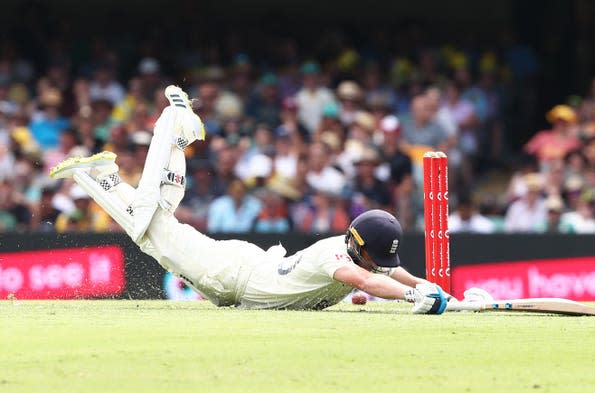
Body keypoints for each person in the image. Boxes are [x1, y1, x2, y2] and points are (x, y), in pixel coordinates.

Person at [50, 85, 455, 314]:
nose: (377, 266)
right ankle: (172, 130)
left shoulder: (360, 253)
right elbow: (368, 279)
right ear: (357, 247)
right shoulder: (337, 260)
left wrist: (434, 289)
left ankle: (104, 177)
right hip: (231, 272)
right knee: (151, 228)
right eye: (374, 258)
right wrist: (415, 296)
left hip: (247, 270)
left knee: (154, 226)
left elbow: (390, 273)